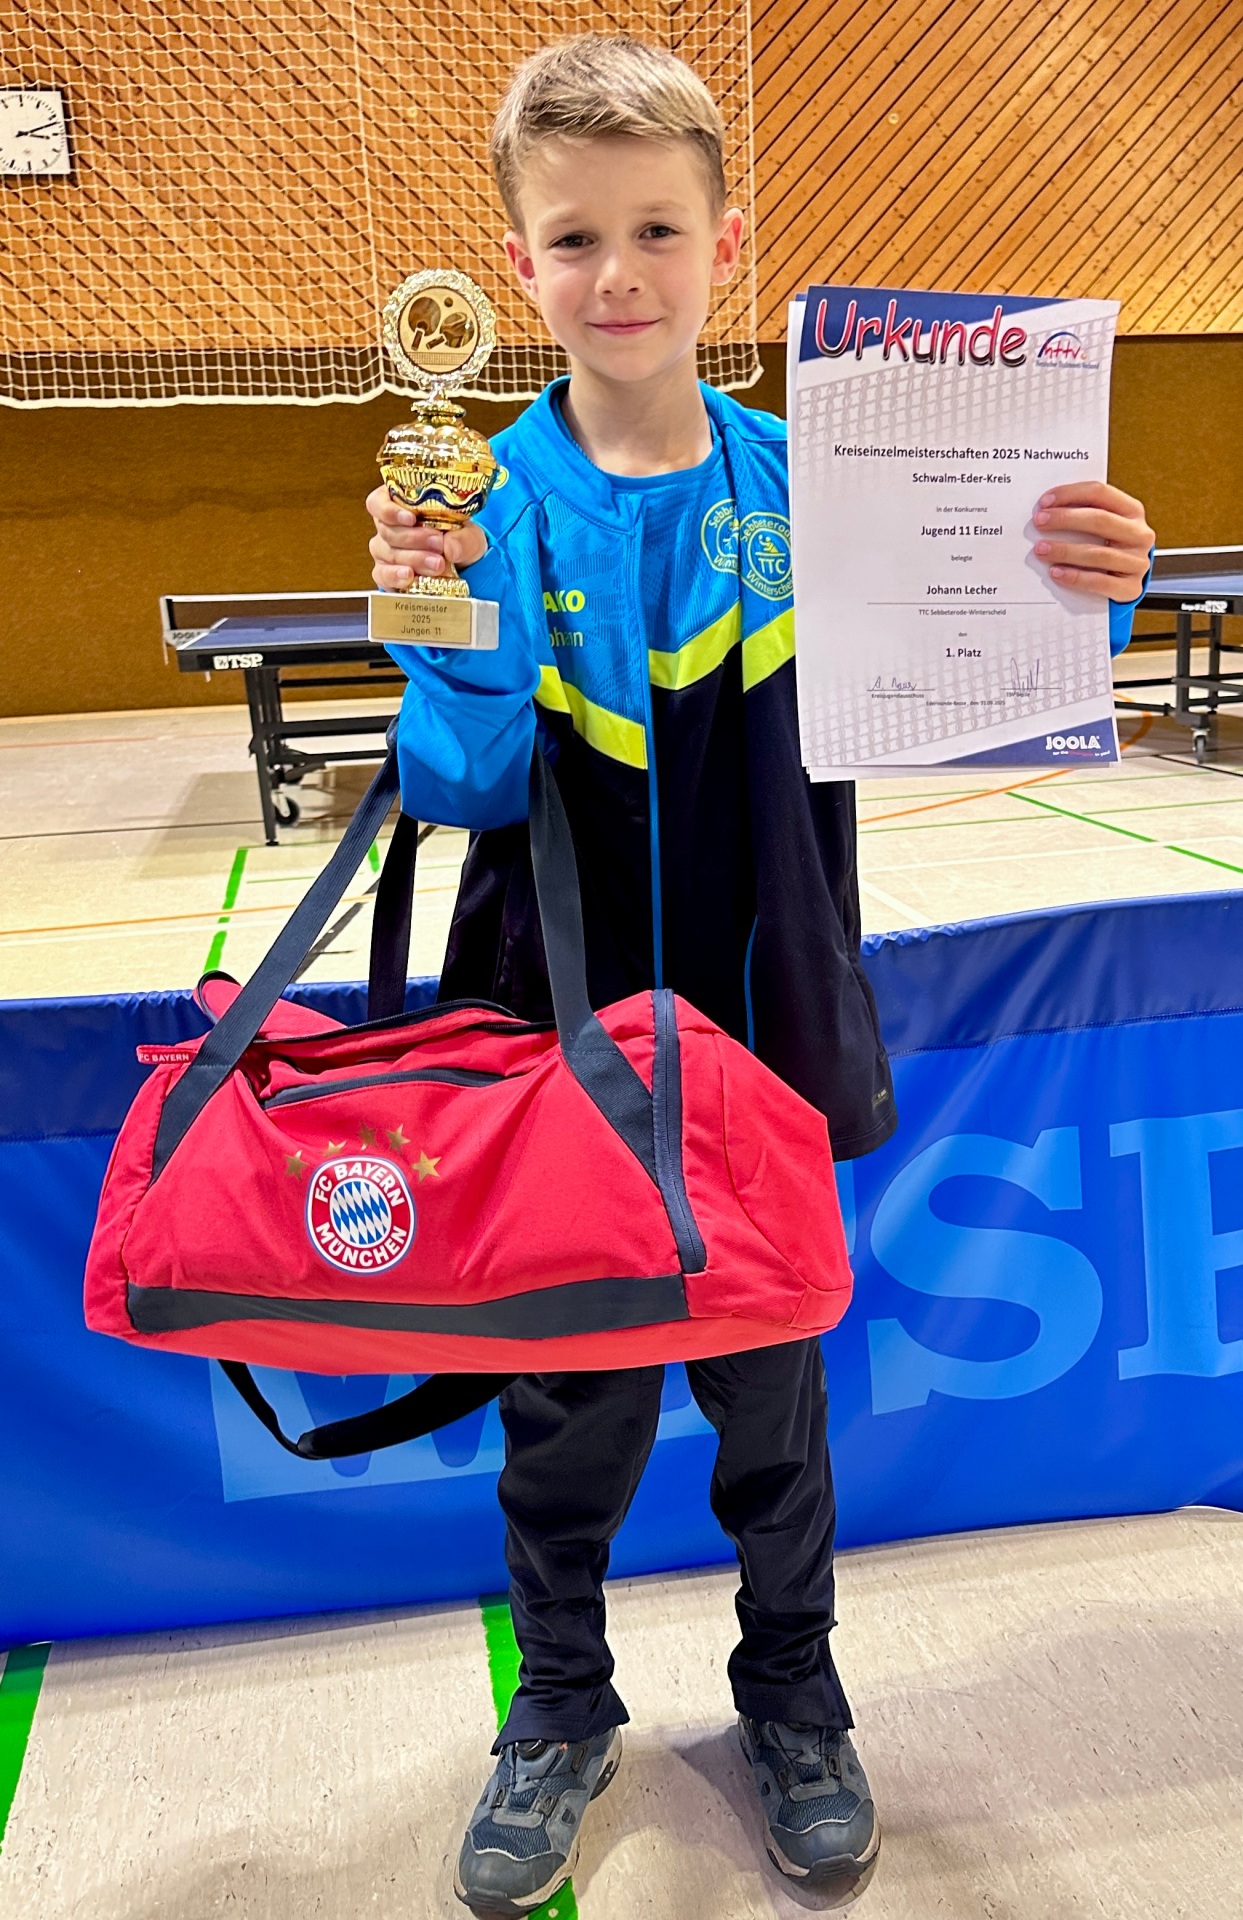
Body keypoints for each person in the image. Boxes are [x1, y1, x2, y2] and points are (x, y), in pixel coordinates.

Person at [366, 35, 1154, 1916]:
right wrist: (443, 614)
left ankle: (794, 1691)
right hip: (545, 1033)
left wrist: (1073, 591)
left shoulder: (834, 474)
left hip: (765, 1031)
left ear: (729, 240)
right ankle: (557, 1711)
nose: (617, 271)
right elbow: (464, 785)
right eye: (574, 238)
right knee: (568, 1408)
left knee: (775, 1399)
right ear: (517, 258)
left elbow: (983, 677)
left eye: (656, 227)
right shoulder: (480, 496)